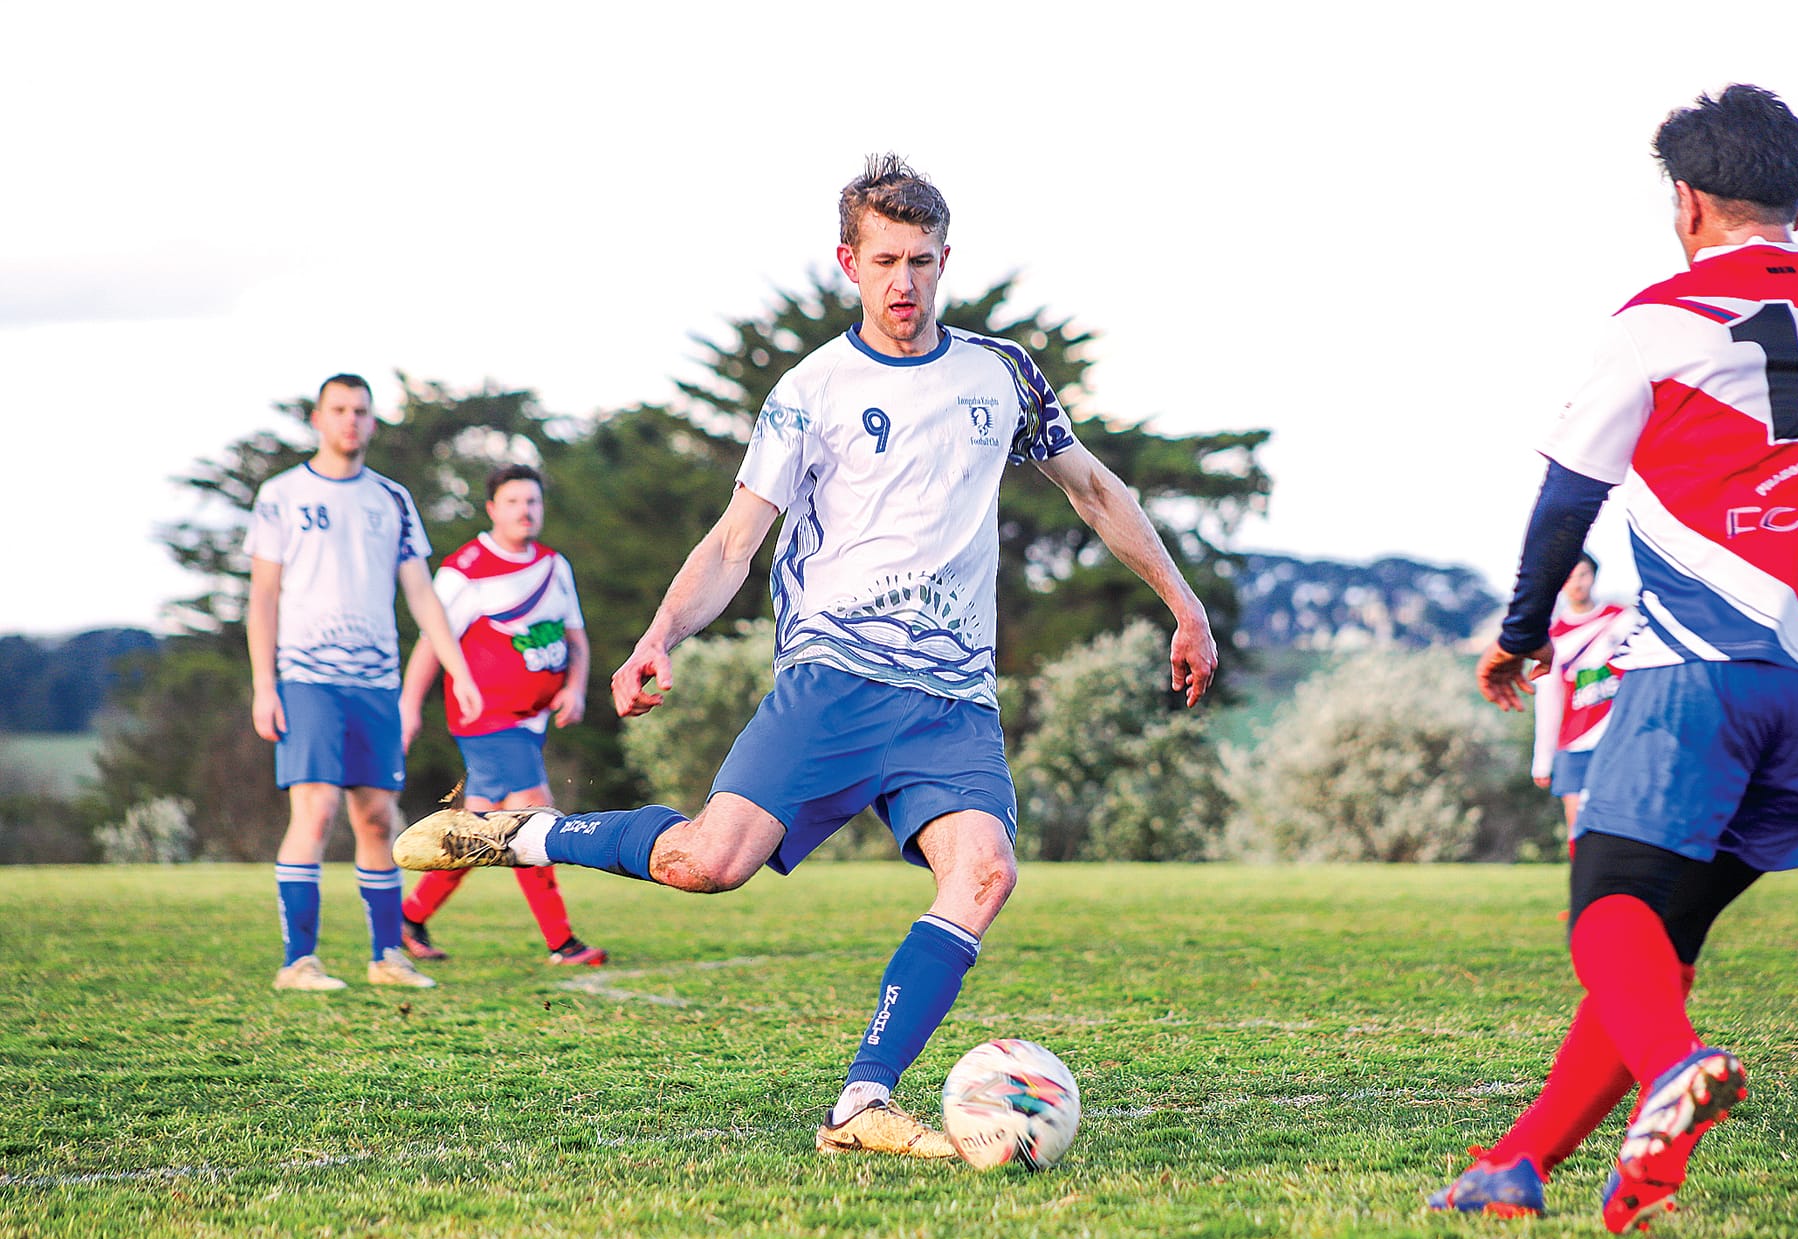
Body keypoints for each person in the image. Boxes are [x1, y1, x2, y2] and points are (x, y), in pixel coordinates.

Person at [396, 154, 1217, 1155]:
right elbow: (736, 540)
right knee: (705, 861)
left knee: (984, 871)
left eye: (920, 260)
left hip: (953, 700)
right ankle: (512, 834)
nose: (903, 282)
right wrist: (660, 631)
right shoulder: (810, 389)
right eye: (883, 261)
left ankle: (858, 1103)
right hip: (832, 682)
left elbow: (1093, 490)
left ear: (944, 258)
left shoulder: (1001, 375)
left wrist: (1182, 602)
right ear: (848, 262)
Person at [1428, 86, 1798, 1232]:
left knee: (1607, 901)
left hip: (1703, 669)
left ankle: (1674, 1066)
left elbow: (1564, 499)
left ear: (1684, 201)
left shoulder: (1655, 321)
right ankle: (1518, 1164)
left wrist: (1523, 630)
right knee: (1658, 929)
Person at [248, 373, 484, 992]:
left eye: (360, 410)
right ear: (318, 419)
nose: (350, 420)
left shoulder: (393, 500)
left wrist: (457, 671)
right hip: (306, 677)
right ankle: (298, 962)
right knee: (317, 808)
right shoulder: (281, 494)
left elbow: (421, 594)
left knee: (378, 817)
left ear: (373, 422)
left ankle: (387, 957)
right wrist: (263, 684)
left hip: (374, 683)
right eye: (338, 409)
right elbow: (263, 596)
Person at [397, 463, 606, 967]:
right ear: (492, 509)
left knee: (484, 831)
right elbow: (431, 642)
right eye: (513, 502)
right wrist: (408, 707)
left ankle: (407, 918)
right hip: (487, 718)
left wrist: (574, 689)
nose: (524, 510)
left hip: (530, 723)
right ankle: (562, 942)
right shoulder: (464, 569)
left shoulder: (555, 566)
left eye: (532, 501)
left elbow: (574, 637)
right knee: (532, 816)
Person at [1529, 553, 1638, 839]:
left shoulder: (1623, 619)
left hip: (1620, 738)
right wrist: (1542, 759)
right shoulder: (1549, 637)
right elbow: (1547, 700)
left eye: (1583, 575)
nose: (1577, 584)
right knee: (1577, 824)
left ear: (1594, 576)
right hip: (1573, 743)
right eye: (1569, 577)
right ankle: (1585, 882)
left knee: (1624, 822)